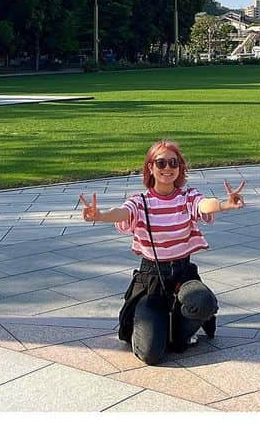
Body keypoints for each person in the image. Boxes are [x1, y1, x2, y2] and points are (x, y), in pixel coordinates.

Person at [78, 139, 246, 366]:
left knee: (204, 302)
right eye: (161, 163)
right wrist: (100, 215)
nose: (167, 168)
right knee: (151, 355)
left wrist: (225, 204)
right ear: (151, 167)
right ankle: (153, 328)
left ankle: (179, 335)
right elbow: (122, 213)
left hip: (183, 274)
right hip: (152, 280)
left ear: (180, 167)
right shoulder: (140, 202)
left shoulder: (187, 196)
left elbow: (204, 205)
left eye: (173, 163)